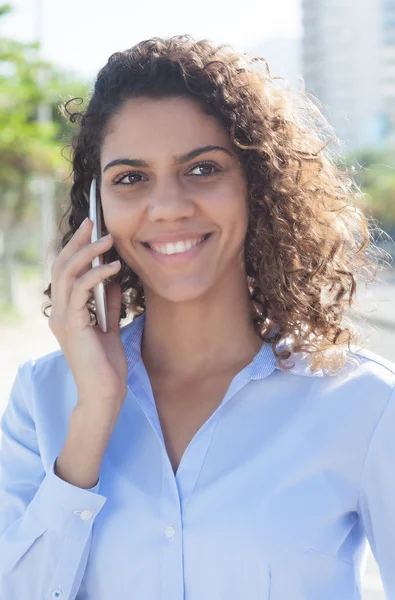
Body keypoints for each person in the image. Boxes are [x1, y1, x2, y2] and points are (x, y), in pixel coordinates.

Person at [0, 35, 394, 600]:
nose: (168, 206)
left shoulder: (363, 402)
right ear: (97, 209)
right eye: (131, 178)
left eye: (203, 169)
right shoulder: (41, 400)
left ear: (257, 186)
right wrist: (93, 415)